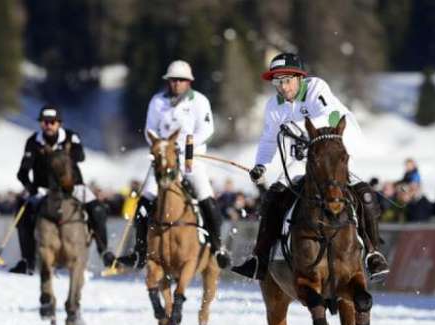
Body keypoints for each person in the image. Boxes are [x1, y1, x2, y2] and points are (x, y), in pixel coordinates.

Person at [230, 53, 390, 282]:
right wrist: (261, 165)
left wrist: (295, 129)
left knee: (364, 194)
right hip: (304, 159)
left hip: (335, 153)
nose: (283, 87)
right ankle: (260, 259)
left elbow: (326, 116)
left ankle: (374, 254)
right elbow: (268, 139)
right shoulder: (273, 107)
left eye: (287, 80)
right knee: (273, 196)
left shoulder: (316, 88)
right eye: (277, 82)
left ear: (299, 78)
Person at [118, 60, 230, 269]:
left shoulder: (199, 101)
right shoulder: (157, 101)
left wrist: (188, 144)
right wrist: (162, 147)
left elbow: (207, 130)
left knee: (206, 197)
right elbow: (150, 130)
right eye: (173, 80)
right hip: (164, 162)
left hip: (190, 160)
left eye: (181, 80)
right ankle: (140, 252)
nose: (176, 84)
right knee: (145, 200)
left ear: (189, 82)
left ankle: (218, 247)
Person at [8, 105, 114, 275]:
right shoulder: (33, 141)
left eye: (52, 122)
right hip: (43, 189)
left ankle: (105, 252)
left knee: (98, 210)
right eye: (45, 122)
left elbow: (81, 156)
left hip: (72, 186)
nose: (48, 125)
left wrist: (61, 154)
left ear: (59, 124)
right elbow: (22, 172)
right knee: (23, 213)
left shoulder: (70, 137)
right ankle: (27, 260)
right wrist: (31, 187)